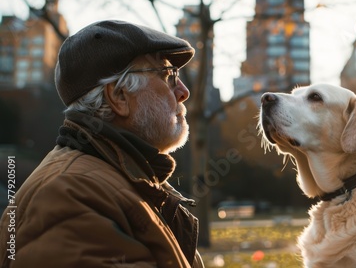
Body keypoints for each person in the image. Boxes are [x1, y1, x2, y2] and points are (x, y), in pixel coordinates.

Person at [0, 20, 204, 267]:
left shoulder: (121, 181)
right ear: (119, 97)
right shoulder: (70, 197)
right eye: (167, 75)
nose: (183, 92)